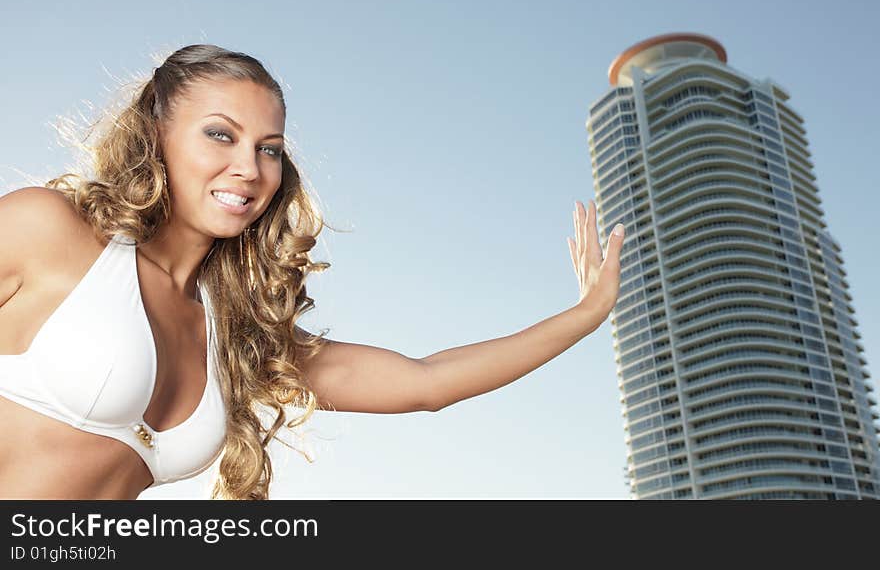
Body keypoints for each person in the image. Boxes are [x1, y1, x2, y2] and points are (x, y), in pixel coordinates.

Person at [0, 44, 625, 500]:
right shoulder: (49, 232)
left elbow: (425, 384)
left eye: (268, 148)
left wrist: (584, 316)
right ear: (155, 136)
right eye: (221, 135)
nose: (249, 167)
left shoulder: (240, 339)